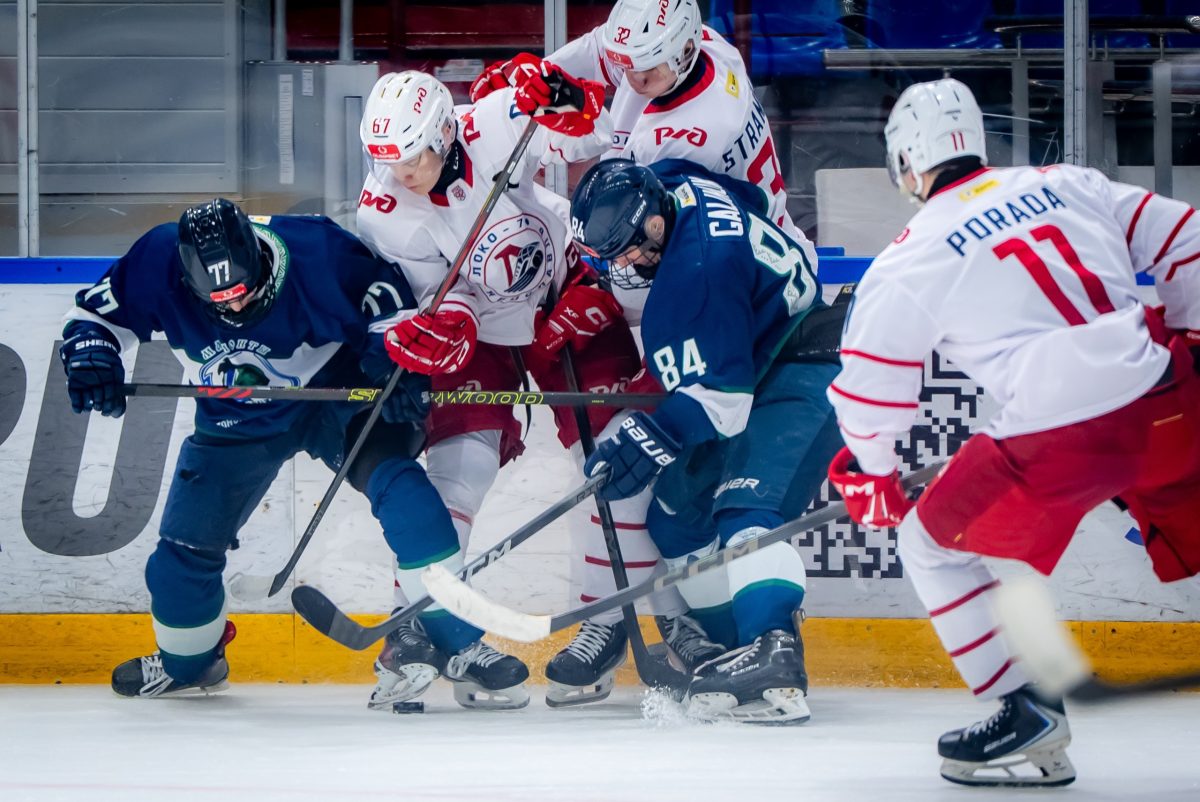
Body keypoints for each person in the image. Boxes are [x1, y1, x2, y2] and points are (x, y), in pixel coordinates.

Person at [825, 78, 1200, 786]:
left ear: (905, 163)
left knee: (928, 543)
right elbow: (1189, 238)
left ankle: (1023, 709)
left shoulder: (909, 256)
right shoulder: (1070, 182)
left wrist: (873, 473)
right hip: (1167, 398)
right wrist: (1191, 333)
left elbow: (870, 394)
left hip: (1062, 437)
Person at [469, 0, 812, 696]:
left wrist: (560, 117)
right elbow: (602, 64)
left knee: (702, 484)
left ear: (683, 51)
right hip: (723, 266)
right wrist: (538, 81)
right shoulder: (687, 45)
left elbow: (617, 188)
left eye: (647, 70)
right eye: (630, 65)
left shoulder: (697, 135)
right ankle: (682, 633)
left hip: (734, 298)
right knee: (659, 493)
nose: (634, 76)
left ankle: (728, 637)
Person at [60, 198, 522, 707]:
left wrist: (394, 368)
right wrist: (92, 355)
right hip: (236, 419)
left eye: (246, 293)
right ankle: (190, 664)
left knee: (409, 499)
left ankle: (458, 643)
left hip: (337, 401)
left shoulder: (319, 251)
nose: (236, 308)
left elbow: (391, 315)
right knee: (179, 556)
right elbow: (93, 316)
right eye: (220, 302)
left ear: (260, 259)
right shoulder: (157, 259)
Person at [356, 69, 665, 708]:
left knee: (616, 455)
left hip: (568, 294)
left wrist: (569, 100)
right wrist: (448, 326)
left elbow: (590, 135)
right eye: (385, 159)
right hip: (483, 333)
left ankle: (604, 618)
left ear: (445, 133)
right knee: (458, 471)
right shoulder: (382, 214)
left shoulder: (494, 122)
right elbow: (435, 294)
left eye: (410, 157)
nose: (398, 174)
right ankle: (415, 625)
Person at [570, 158, 845, 723]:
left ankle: (773, 652)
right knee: (676, 516)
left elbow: (723, 403)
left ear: (653, 224)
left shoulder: (695, 277)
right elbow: (758, 201)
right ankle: (730, 650)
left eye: (626, 250)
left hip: (802, 363)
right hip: (759, 357)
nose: (621, 266)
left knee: (746, 507)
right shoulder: (673, 181)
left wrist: (652, 435)